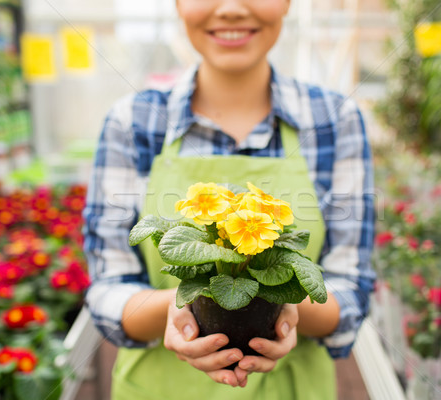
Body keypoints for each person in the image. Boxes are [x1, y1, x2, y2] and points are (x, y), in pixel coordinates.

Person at [83, 0, 376, 399]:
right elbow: (107, 290)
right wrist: (180, 309)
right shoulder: (134, 121)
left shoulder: (335, 119)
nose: (232, 9)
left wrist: (286, 309)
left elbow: (351, 289)